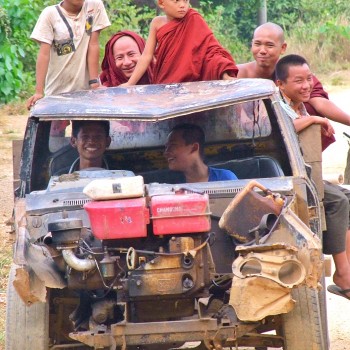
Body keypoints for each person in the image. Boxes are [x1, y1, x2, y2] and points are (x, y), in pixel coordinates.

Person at [275, 54, 350, 300]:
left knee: (346, 196)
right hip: (288, 177)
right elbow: (281, 128)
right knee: (337, 201)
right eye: (298, 81)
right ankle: (343, 273)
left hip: (308, 174)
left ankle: (346, 268)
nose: (306, 85)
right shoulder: (276, 104)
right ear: (281, 84)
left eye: (309, 79)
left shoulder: (300, 104)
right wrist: (316, 118)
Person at [237, 22, 350, 135]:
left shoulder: (293, 71)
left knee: (308, 106)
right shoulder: (238, 74)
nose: (262, 50)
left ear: (283, 48)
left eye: (269, 45)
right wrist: (312, 119)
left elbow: (319, 102)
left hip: (291, 132)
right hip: (253, 134)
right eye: (257, 44)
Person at [122, 0, 238, 86]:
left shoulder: (194, 18)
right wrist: (129, 83)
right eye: (176, 1)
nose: (182, 5)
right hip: (165, 81)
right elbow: (146, 56)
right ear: (162, 3)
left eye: (186, 1)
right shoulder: (157, 23)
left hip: (191, 84)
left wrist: (224, 74)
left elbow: (212, 51)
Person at [26, 0, 110, 109]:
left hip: (85, 90)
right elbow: (44, 54)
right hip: (57, 89)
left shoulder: (94, 7)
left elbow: (93, 44)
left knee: (86, 125)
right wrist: (39, 91)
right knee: (54, 125)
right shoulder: (50, 14)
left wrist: (94, 82)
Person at [164, 123, 238, 183]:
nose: (166, 153)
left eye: (173, 146)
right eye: (166, 147)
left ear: (194, 148)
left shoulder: (225, 178)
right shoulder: (170, 185)